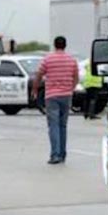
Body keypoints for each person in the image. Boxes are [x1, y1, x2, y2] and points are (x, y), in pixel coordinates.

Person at [31, 36, 78, 164]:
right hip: (66, 95)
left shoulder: (48, 59)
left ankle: (55, 154)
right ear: (65, 45)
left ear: (54, 45)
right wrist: (71, 89)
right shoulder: (71, 60)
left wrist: (35, 89)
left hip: (51, 96)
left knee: (53, 125)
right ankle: (62, 154)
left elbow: (39, 75)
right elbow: (76, 77)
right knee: (63, 125)